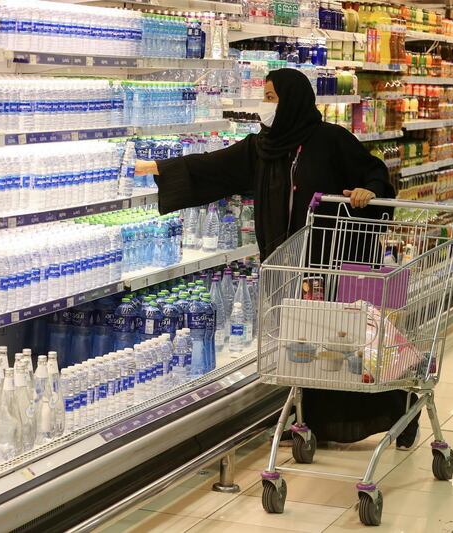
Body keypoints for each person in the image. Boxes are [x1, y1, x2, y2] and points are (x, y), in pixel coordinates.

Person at [136, 68, 419, 448]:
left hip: (329, 263)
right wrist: (155, 168)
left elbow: (374, 172)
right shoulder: (262, 148)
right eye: (265, 96)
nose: (265, 104)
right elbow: (213, 166)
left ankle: (398, 408)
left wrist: (366, 191)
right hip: (286, 264)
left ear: (293, 100)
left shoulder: (331, 140)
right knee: (303, 347)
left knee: (340, 347)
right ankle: (310, 419)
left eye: (271, 97)